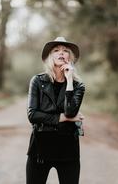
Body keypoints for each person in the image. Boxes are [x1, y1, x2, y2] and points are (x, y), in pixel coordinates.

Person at [26, 36, 85, 184]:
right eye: (56, 50)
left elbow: (71, 112)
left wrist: (70, 80)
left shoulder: (78, 86)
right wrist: (62, 118)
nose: (61, 53)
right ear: (50, 57)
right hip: (40, 149)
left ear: (69, 58)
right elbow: (32, 114)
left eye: (65, 51)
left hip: (68, 150)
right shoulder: (38, 81)